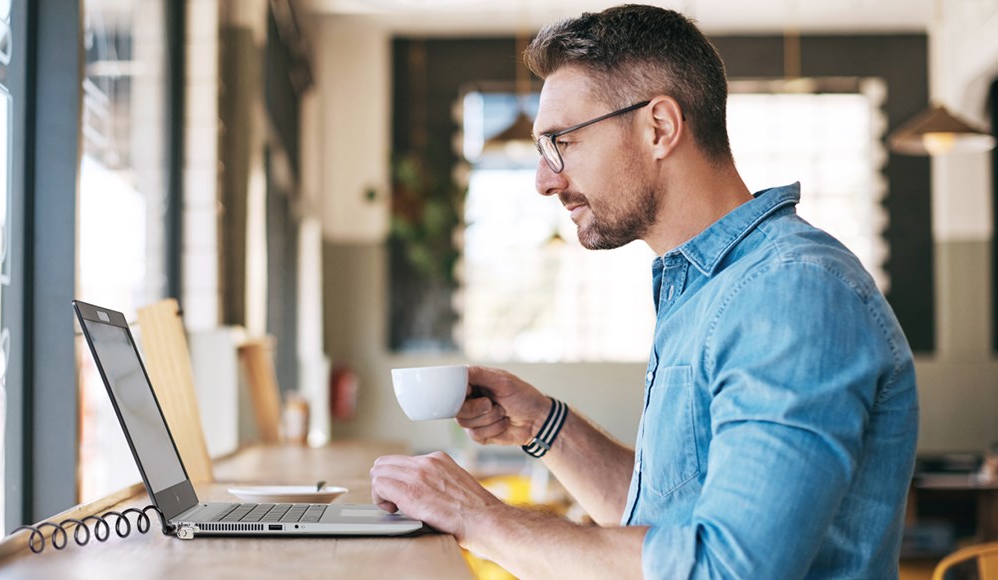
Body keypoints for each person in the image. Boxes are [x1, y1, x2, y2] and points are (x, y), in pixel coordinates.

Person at [369, 5, 919, 578]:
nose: (543, 180)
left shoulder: (790, 292)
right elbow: (666, 529)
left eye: (561, 142)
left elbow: (728, 568)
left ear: (658, 127)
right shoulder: (708, 288)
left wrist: (480, 518)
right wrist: (541, 426)